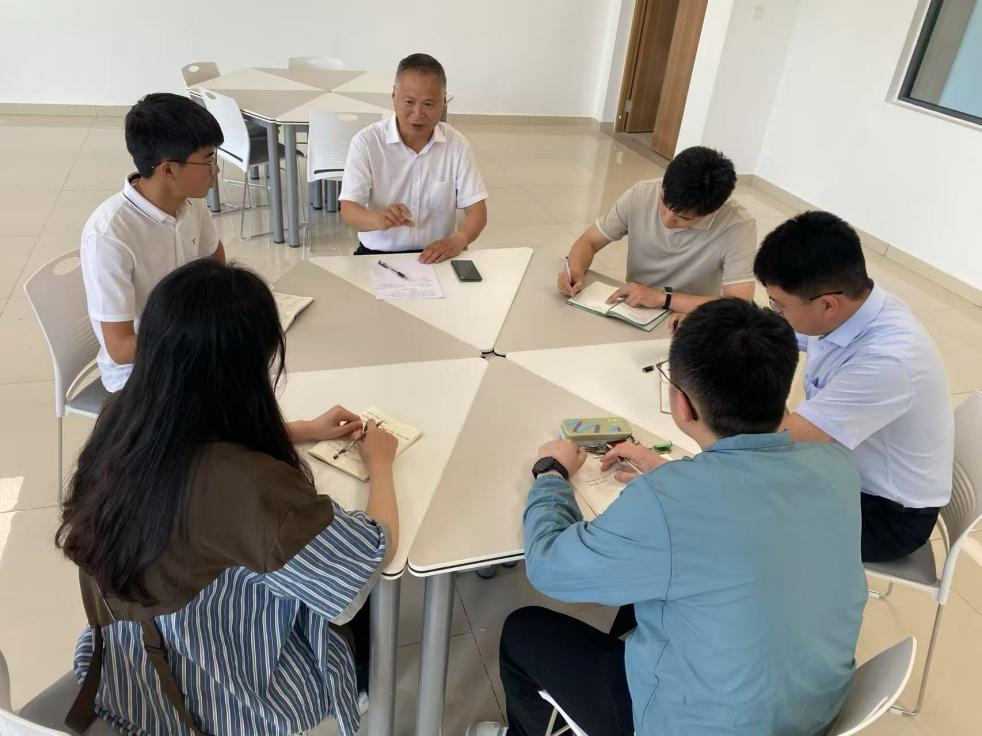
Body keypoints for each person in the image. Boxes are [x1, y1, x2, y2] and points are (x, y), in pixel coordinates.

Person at [468, 298, 867, 736]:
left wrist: (551, 473)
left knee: (523, 632)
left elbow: (548, 567)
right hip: (815, 710)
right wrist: (673, 473)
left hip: (694, 725)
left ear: (682, 405)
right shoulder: (835, 465)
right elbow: (751, 522)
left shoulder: (666, 503)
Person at [57, 259, 399, 736]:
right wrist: (380, 465)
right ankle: (361, 695)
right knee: (356, 615)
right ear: (247, 368)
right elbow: (366, 564)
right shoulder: (249, 486)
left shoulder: (122, 418)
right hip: (215, 700)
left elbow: (189, 436)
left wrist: (302, 429)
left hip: (124, 668)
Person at [754, 211, 954, 562]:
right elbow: (777, 333)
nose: (776, 312)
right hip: (844, 469)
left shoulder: (886, 361)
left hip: (886, 516)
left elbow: (781, 444)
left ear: (827, 304)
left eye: (779, 305)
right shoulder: (857, 305)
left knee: (740, 514)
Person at [80, 92, 227, 393]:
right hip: (141, 373)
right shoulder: (110, 234)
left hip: (189, 347)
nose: (215, 171)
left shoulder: (191, 202)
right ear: (169, 169)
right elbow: (120, 348)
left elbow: (215, 261)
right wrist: (197, 337)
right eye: (208, 161)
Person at [558, 146, 755, 317]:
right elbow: (589, 241)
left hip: (690, 318)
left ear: (713, 210)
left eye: (683, 218)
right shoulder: (642, 193)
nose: (667, 220)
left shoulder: (738, 225)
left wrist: (662, 298)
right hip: (633, 309)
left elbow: (738, 304)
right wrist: (575, 271)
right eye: (663, 204)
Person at [339, 53, 487, 263]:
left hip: (438, 254)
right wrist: (377, 219)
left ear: (444, 101)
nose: (418, 114)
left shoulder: (456, 144)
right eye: (409, 102)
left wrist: (459, 239)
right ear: (394, 96)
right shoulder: (367, 142)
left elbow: (477, 211)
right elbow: (349, 210)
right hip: (378, 254)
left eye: (429, 104)